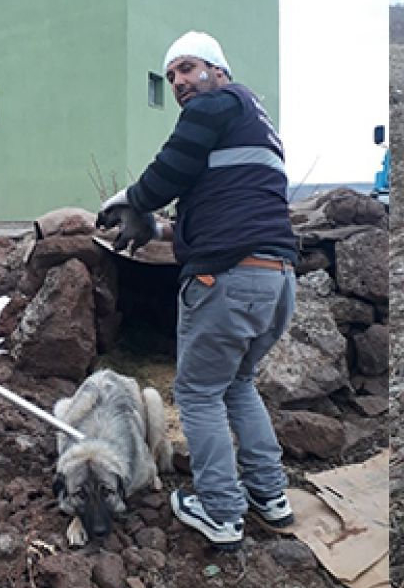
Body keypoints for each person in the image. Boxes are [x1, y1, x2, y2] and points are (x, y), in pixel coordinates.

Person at [98, 31, 298, 549]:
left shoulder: (214, 106)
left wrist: (133, 198)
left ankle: (220, 511)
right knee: (238, 384)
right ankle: (270, 495)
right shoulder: (253, 117)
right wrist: (160, 230)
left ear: (215, 67)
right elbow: (223, 213)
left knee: (197, 392)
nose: (179, 83)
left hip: (227, 280)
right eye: (170, 77)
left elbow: (170, 170)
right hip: (275, 277)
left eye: (186, 68)